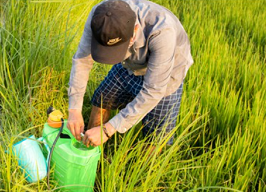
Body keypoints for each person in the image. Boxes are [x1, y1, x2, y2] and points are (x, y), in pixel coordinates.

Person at [67, 0, 193, 147]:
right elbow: (82, 61)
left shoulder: (162, 31)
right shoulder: (100, 18)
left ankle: (147, 168)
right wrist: (74, 109)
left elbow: (153, 90)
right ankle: (90, 150)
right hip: (129, 64)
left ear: (135, 31)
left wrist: (108, 130)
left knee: (156, 136)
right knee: (102, 99)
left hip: (166, 75)